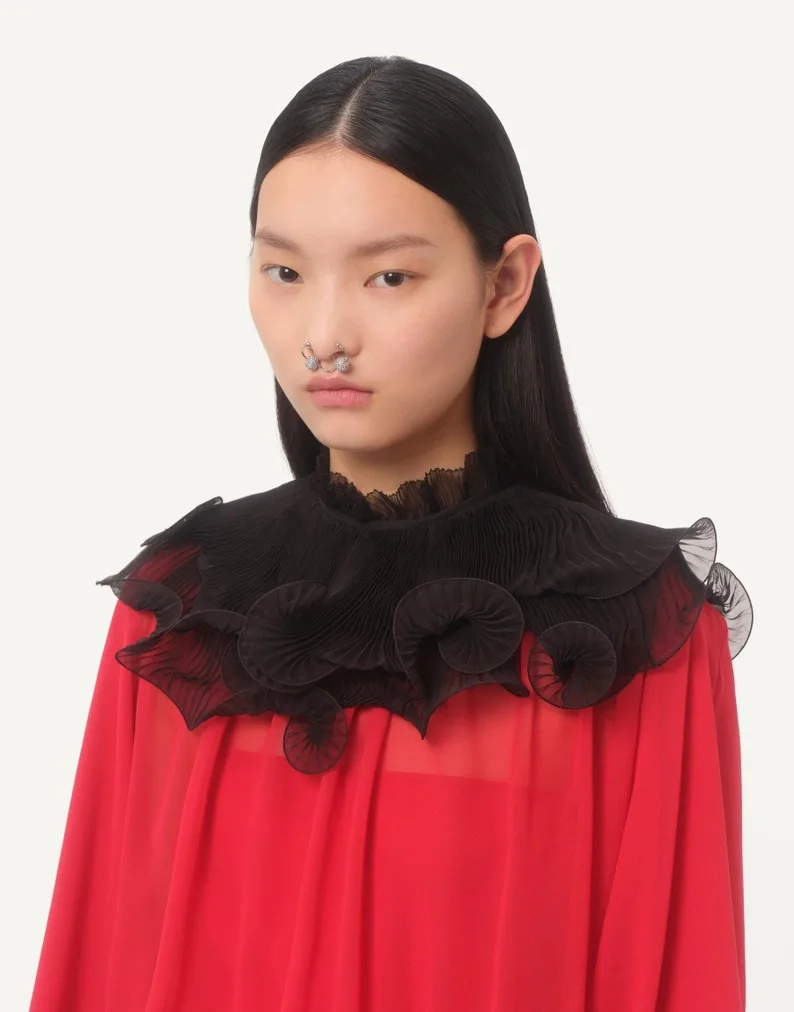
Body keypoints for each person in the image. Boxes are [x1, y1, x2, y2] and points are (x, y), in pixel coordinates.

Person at [29, 55, 753, 1011]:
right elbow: (99, 968)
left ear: (505, 285)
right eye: (285, 272)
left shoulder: (627, 640)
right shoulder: (181, 614)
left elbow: (678, 978)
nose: (324, 335)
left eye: (388, 276)